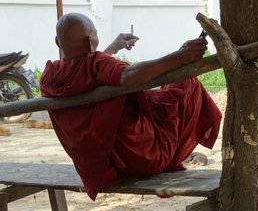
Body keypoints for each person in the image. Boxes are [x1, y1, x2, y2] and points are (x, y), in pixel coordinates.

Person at [40, 13, 222, 201]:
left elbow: (88, 70)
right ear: (90, 41)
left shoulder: (50, 76)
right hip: (145, 157)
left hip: (106, 166)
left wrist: (113, 47)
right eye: (94, 34)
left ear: (57, 42)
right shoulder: (96, 64)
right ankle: (181, 152)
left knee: (159, 98)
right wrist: (179, 56)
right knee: (187, 83)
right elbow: (128, 75)